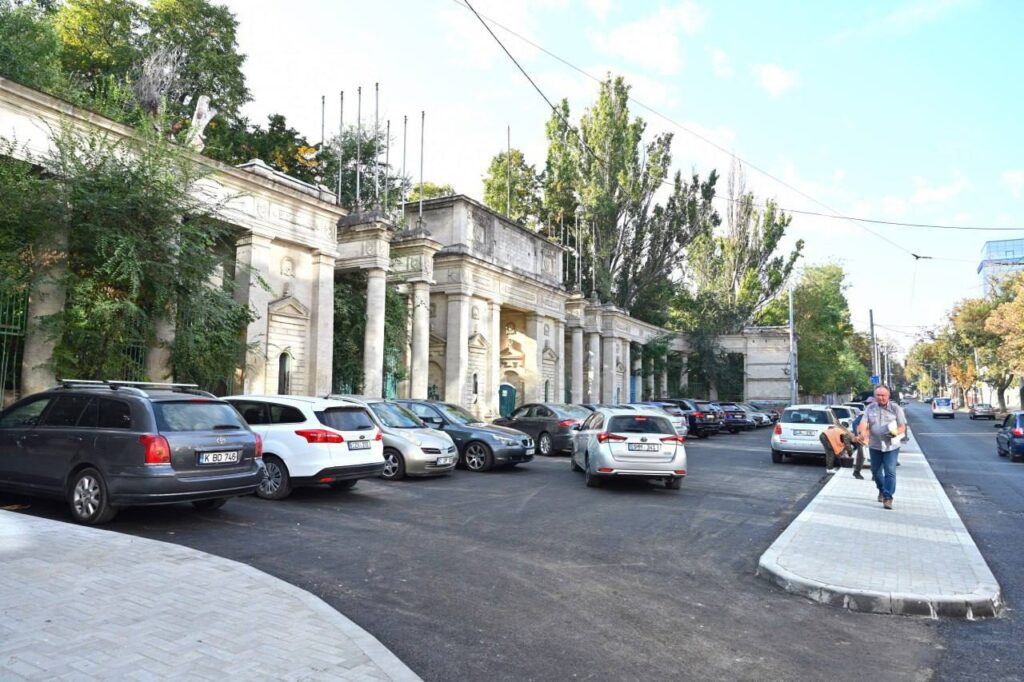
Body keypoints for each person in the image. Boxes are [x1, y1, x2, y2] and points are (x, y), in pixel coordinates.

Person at [858, 385, 907, 510]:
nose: (881, 398)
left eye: (883, 395)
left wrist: (892, 434)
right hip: (875, 445)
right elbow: (863, 423)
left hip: (891, 446)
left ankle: (888, 497)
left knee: (890, 471)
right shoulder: (870, 408)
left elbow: (902, 427)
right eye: (878, 395)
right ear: (875, 396)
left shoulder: (896, 409)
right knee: (875, 471)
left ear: (888, 395)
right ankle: (881, 489)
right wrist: (862, 433)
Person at [848, 405, 868, 479]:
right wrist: (856, 435)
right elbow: (854, 423)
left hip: (869, 439)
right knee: (862, 456)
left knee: (874, 457)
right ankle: (856, 472)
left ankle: (875, 475)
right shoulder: (864, 415)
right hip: (860, 439)